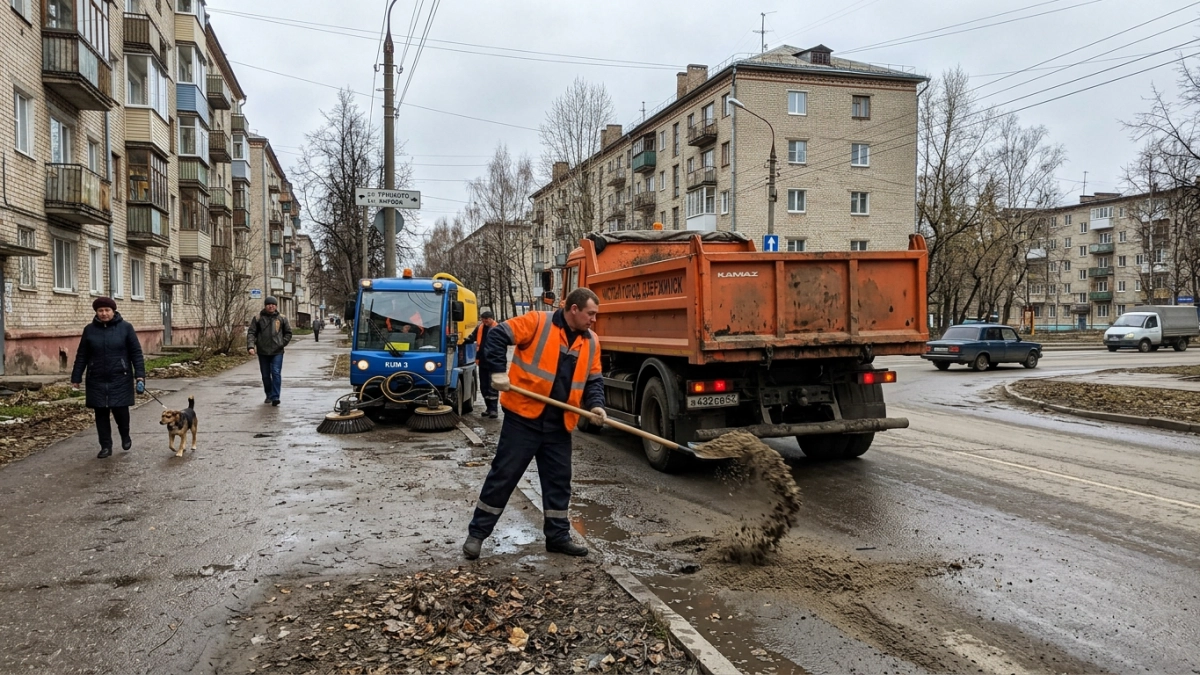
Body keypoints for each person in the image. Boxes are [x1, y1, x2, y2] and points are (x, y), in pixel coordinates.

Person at [463, 288, 605, 560]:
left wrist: (596, 405)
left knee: (558, 482)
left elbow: (594, 379)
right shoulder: (538, 322)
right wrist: (497, 372)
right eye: (591, 313)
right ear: (574, 309)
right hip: (523, 419)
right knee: (503, 476)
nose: (594, 320)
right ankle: (477, 534)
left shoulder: (592, 342)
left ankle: (558, 537)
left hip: (559, 424)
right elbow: (496, 336)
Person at [71, 297, 146, 459]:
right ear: (96, 312)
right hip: (96, 378)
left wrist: (140, 376)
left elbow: (136, 354)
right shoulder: (89, 330)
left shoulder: (126, 328)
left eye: (107, 310)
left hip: (120, 377)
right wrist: (76, 377)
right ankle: (105, 446)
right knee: (101, 414)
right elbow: (82, 355)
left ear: (113, 311)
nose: (104, 313)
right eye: (100, 310)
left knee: (121, 412)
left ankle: (125, 436)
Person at [247, 296, 292, 406]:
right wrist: (251, 346)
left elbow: (288, 333)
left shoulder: (281, 318)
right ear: (265, 306)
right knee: (266, 375)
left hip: (277, 351)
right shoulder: (258, 318)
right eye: (268, 304)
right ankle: (269, 394)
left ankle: (276, 397)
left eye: (273, 304)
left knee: (276, 373)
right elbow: (252, 333)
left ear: (276, 306)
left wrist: (281, 343)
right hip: (263, 351)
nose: (271, 306)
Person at [473, 310, 499, 418]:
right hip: (482, 361)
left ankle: (494, 410)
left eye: (486, 319)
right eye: (483, 319)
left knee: (492, 386)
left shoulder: (497, 328)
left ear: (491, 318)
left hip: (492, 362)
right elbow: (472, 337)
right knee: (484, 386)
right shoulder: (480, 328)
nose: (484, 321)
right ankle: (488, 408)